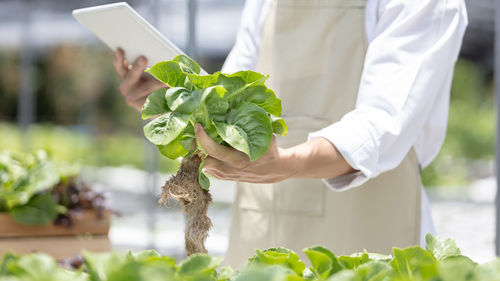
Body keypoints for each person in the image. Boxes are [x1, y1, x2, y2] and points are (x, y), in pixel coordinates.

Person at [113, 0, 468, 267]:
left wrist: (285, 163)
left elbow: (383, 122)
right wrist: (176, 97)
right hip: (263, 226)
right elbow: (233, 94)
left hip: (369, 229)